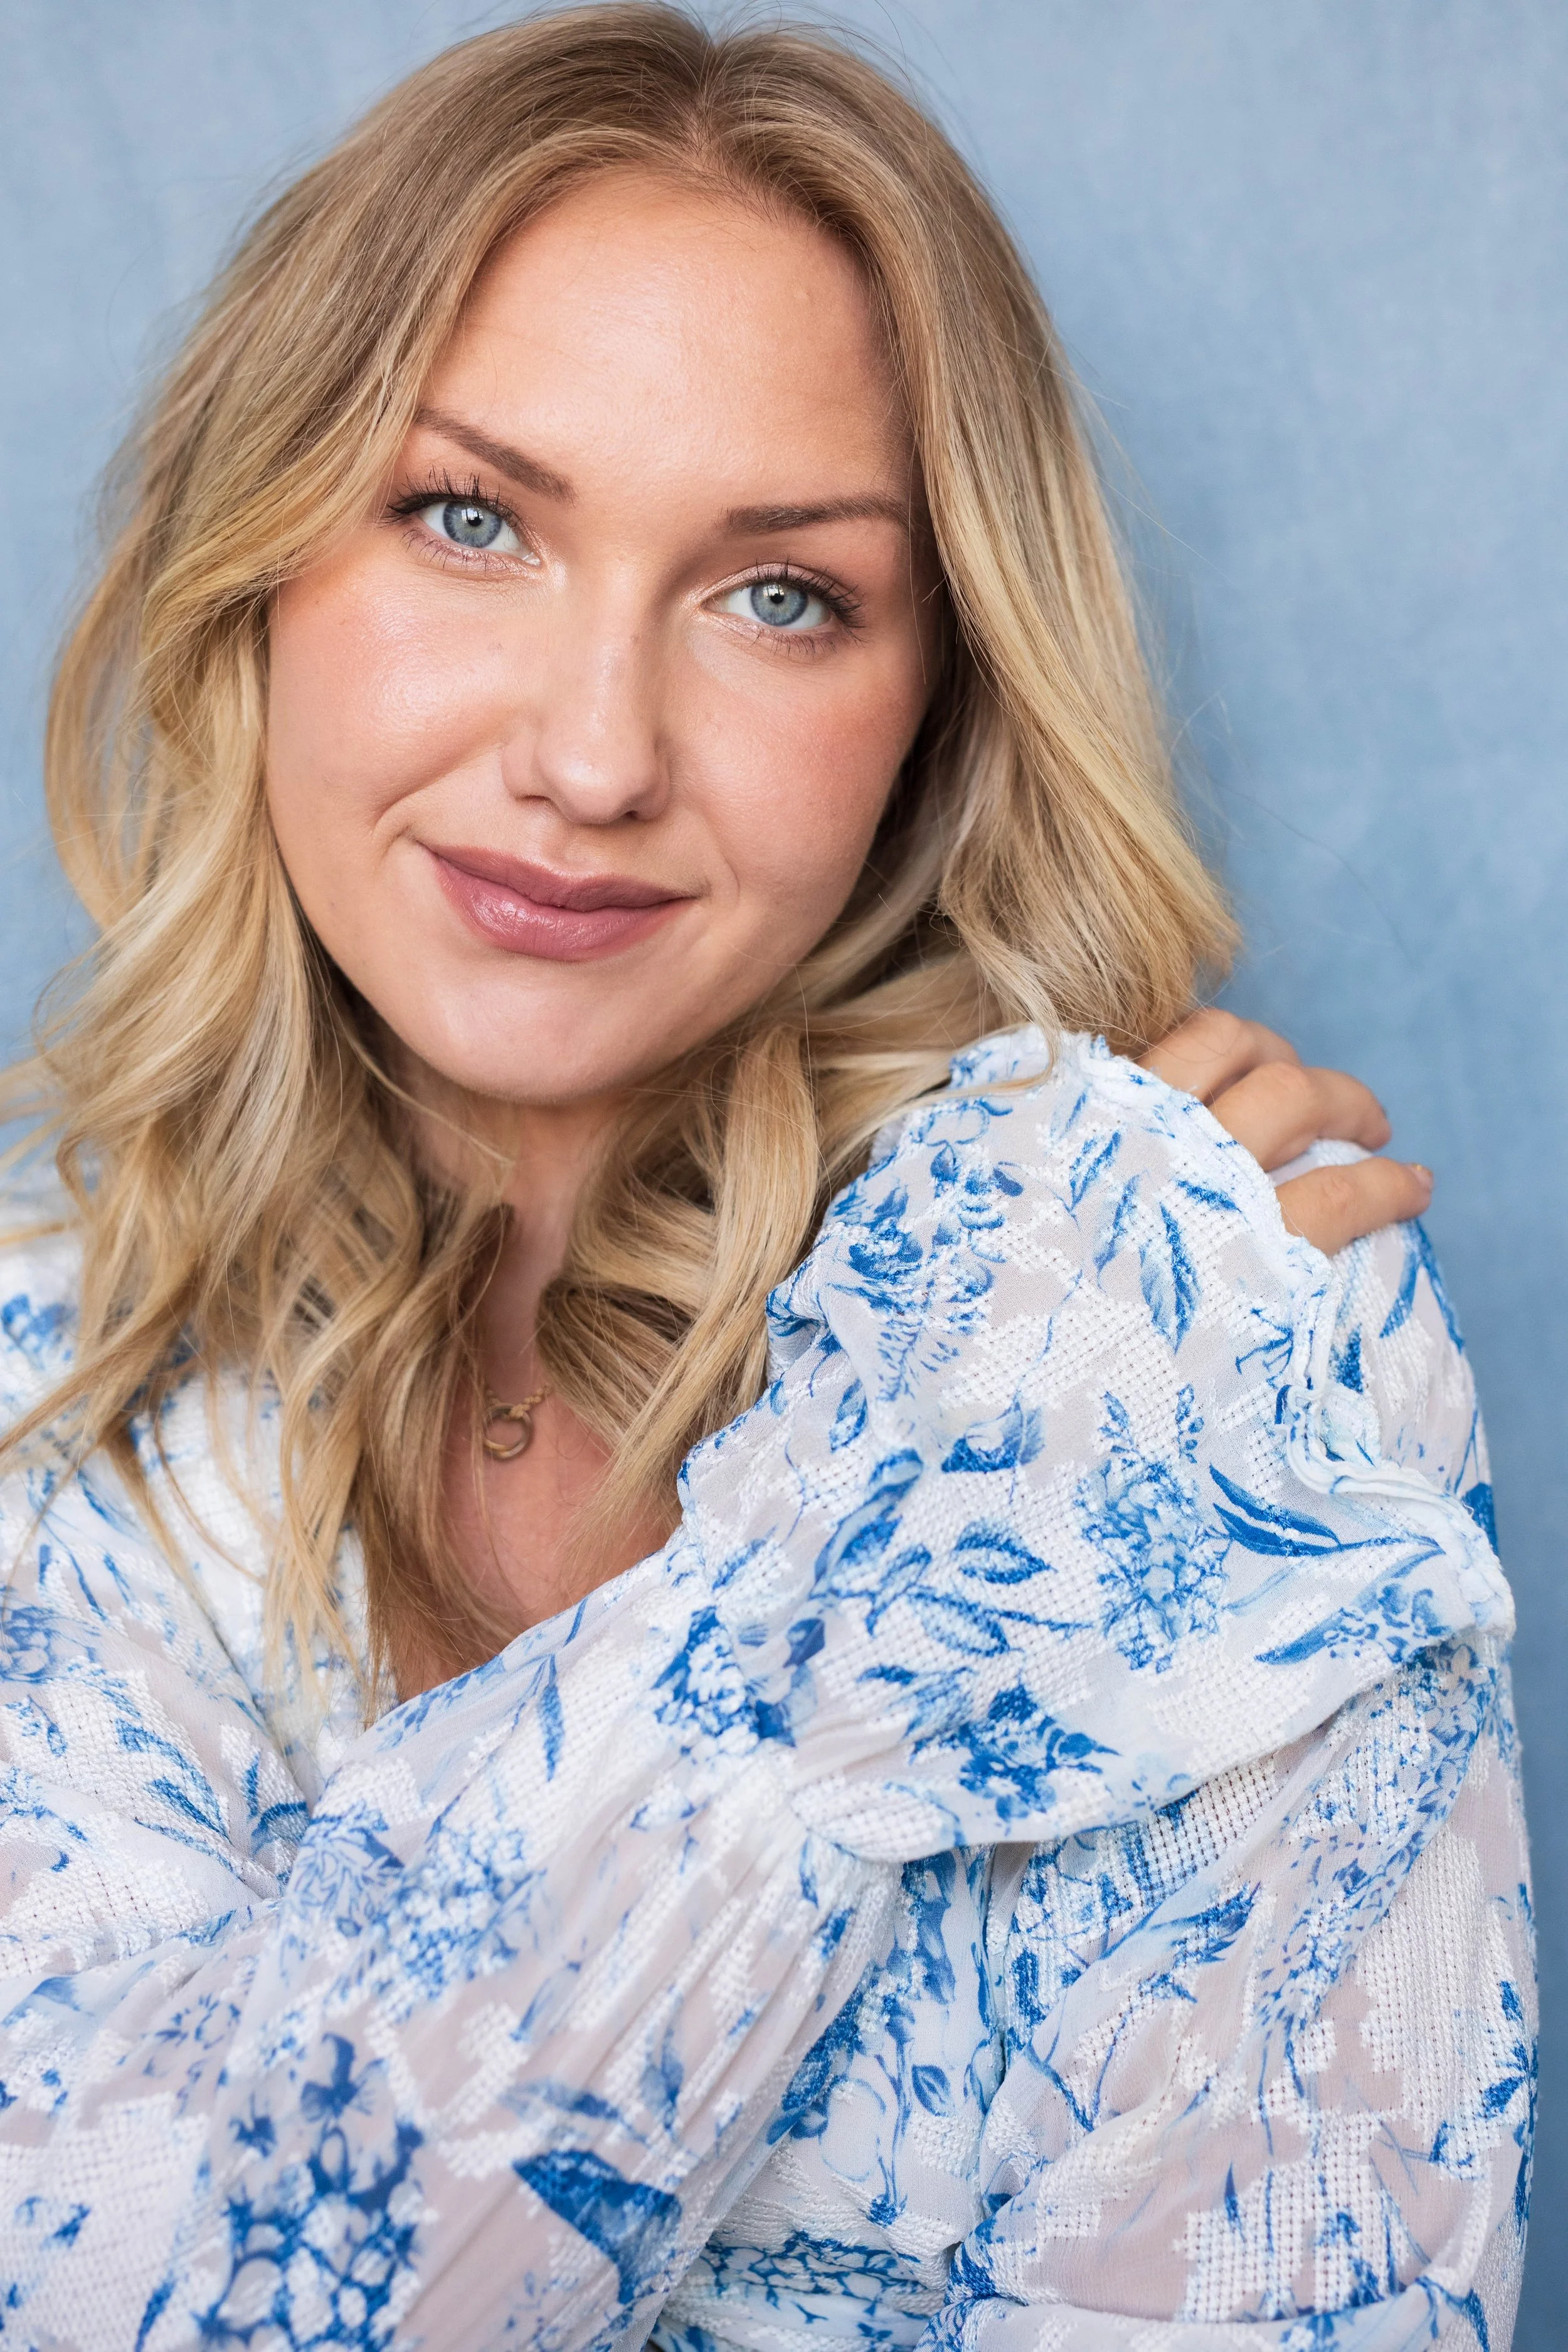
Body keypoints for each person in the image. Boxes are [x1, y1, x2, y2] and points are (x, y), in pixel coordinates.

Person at [0, 7, 1531, 2346]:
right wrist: (866, 1549)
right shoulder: (42, 1376)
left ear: (938, 698)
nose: (593, 757)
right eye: (471, 519)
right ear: (257, 559)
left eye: (780, 594)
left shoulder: (1217, 1304)